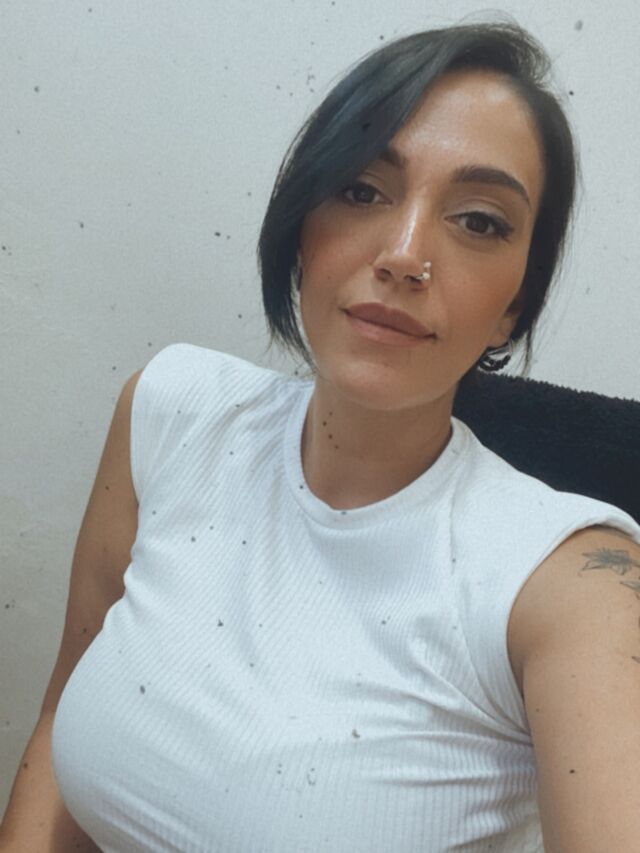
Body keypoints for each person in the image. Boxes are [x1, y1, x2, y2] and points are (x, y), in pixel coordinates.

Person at [2, 20, 640, 853]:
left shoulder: (569, 585)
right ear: (303, 229)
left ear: (515, 304)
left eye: (480, 221)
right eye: (363, 191)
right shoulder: (171, 412)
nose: (405, 255)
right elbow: (60, 717)